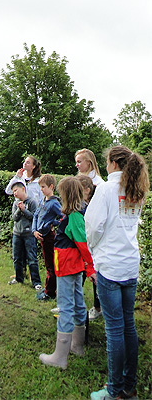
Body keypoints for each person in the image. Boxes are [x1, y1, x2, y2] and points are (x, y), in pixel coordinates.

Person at [85, 146, 150, 400]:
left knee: (114, 330)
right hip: (129, 264)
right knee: (128, 326)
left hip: (110, 267)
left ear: (112, 163)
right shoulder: (136, 188)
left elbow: (93, 226)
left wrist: (94, 250)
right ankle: (129, 388)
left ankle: (114, 391)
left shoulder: (106, 189)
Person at [39, 176, 96, 370]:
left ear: (66, 195)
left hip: (68, 266)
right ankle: (76, 346)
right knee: (78, 303)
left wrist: (90, 268)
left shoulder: (74, 216)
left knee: (65, 306)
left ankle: (60, 356)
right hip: (72, 266)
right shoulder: (75, 214)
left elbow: (83, 244)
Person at [75, 148, 104, 321]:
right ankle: (73, 302)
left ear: (89, 163)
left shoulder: (98, 183)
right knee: (78, 269)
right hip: (79, 229)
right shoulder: (78, 177)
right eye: (76, 161)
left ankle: (97, 306)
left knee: (94, 270)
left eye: (80, 161)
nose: (77, 164)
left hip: (92, 233)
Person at [32, 174, 63, 301]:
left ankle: (50, 292)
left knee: (51, 265)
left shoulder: (54, 203)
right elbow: (35, 216)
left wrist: (52, 224)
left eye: (43, 187)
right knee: (47, 263)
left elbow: (63, 217)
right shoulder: (42, 200)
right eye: (40, 187)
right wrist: (34, 230)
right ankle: (48, 289)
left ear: (51, 187)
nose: (41, 189)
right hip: (41, 236)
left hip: (49, 237)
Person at [8, 181, 42, 290]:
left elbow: (34, 217)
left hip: (29, 234)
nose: (14, 194)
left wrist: (24, 210)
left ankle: (36, 282)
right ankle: (19, 278)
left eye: (15, 191)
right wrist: (19, 209)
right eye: (13, 192)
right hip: (17, 234)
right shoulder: (15, 203)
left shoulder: (32, 202)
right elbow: (14, 218)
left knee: (32, 258)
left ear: (23, 189)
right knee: (17, 258)